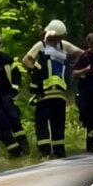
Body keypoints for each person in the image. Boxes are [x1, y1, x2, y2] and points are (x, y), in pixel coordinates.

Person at [23, 20, 81, 157]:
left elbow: (26, 60)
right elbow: (81, 53)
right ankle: (59, 151)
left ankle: (45, 152)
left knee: (42, 122)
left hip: (44, 93)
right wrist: (74, 68)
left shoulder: (41, 46)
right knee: (58, 122)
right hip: (59, 93)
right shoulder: (63, 46)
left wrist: (36, 69)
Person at [0, 29, 29, 154]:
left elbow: (16, 75)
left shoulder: (5, 59)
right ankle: (4, 153)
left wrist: (13, 91)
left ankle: (25, 148)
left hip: (6, 96)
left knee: (14, 119)